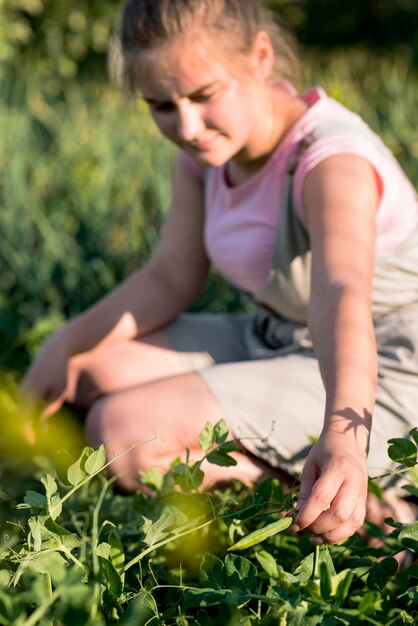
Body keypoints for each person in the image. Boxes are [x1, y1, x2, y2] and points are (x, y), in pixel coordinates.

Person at [21, 0, 418, 546]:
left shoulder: (331, 160)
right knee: (88, 369)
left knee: (121, 434)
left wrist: (345, 438)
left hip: (387, 364)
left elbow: (341, 294)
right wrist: (62, 344)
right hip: (280, 336)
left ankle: (370, 506)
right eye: (160, 105)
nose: (186, 125)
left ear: (259, 56)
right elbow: (169, 278)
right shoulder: (206, 155)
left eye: (204, 96)